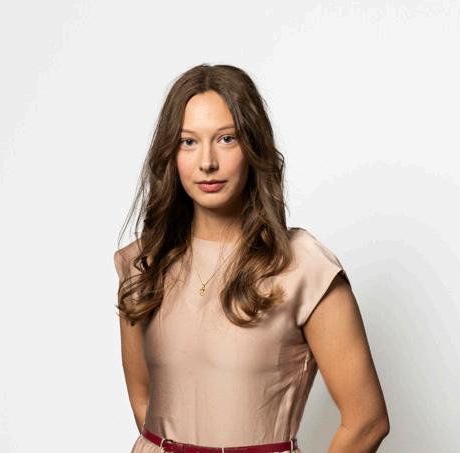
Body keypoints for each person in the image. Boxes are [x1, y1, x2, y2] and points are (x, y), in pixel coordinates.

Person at [113, 64, 389, 453]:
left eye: (226, 139)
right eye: (188, 142)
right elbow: (144, 403)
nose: (207, 162)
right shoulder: (143, 263)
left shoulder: (303, 268)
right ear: (169, 153)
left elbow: (367, 421)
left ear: (253, 147)